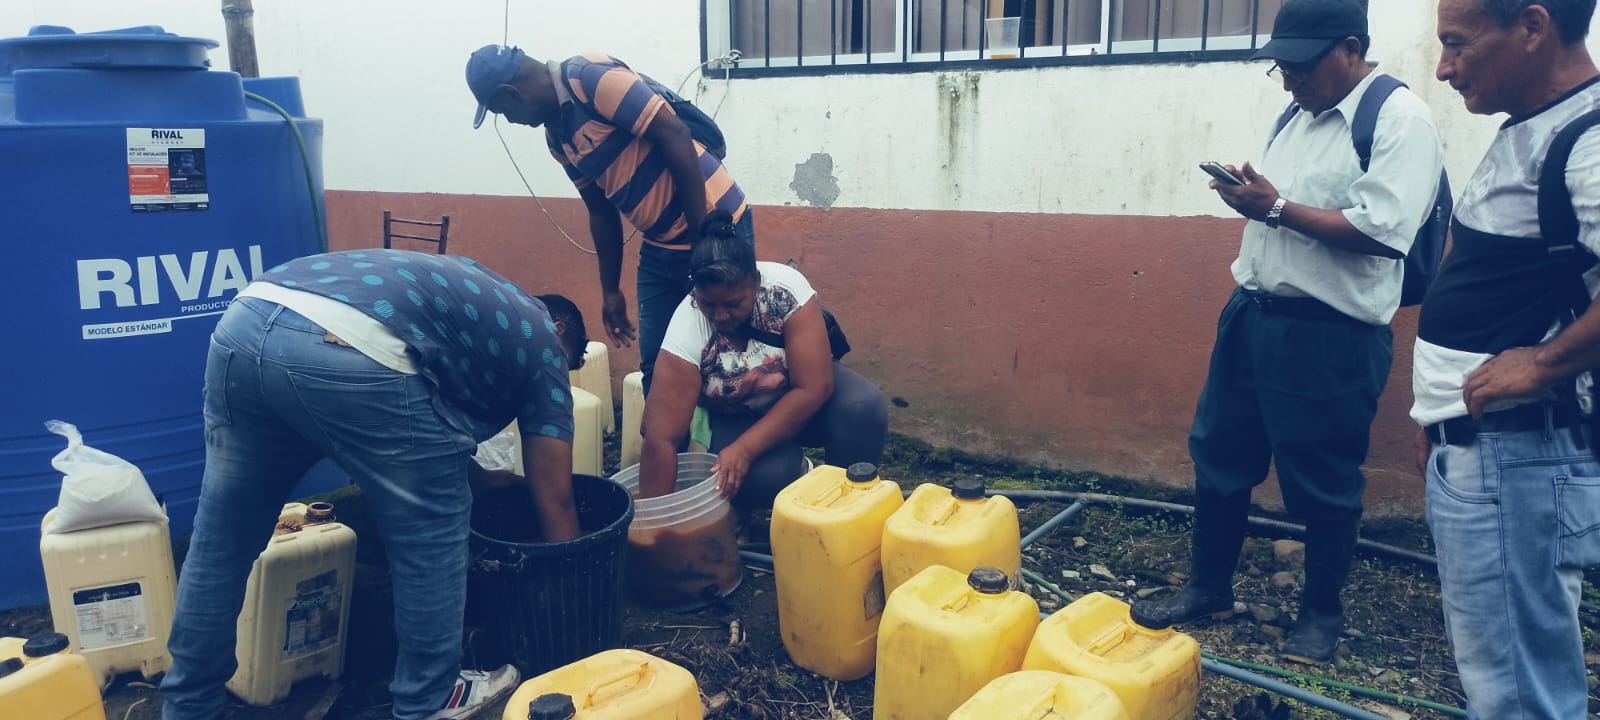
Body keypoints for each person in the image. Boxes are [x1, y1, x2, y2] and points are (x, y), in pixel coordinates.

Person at [1129, 0, 1445, 665]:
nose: (1290, 79)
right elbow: (1286, 209)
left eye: (1302, 65)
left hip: (1330, 334)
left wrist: (1272, 207)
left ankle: (1320, 616)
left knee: (1323, 479)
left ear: (1350, 49)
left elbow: (1384, 233)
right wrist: (1258, 199)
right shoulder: (1295, 115)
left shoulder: (1399, 118)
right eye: (1282, 66)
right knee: (1219, 454)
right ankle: (1208, 589)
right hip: (1251, 315)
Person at [160, 249, 589, 720]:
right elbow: (556, 497)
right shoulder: (543, 340)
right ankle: (430, 696)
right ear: (561, 332)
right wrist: (569, 606)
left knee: (225, 534)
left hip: (250, 318)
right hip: (350, 345)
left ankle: (188, 703)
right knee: (433, 526)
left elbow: (430, 418)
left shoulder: (482, 299)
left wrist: (482, 479)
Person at [1413, 1, 1600, 715]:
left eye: (1457, 44)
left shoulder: (1587, 137)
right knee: (1511, 675)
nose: (1444, 68)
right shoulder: (1534, 126)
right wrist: (1440, 420)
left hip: (1516, 457)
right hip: (1487, 451)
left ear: (1532, 26)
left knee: (1517, 693)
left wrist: (1545, 364)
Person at [465, 44, 753, 393]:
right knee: (657, 364)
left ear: (511, 93)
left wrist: (702, 243)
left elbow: (674, 134)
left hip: (714, 226)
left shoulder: (590, 77)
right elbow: (600, 210)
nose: (511, 121)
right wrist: (610, 290)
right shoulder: (557, 137)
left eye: (502, 111)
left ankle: (739, 430)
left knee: (729, 353)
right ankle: (668, 431)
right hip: (660, 244)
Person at [637, 212, 888, 510]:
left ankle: (847, 506)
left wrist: (743, 450)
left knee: (863, 407)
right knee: (764, 477)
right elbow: (661, 438)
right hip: (738, 414)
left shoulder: (784, 290)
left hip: (803, 397)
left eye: (733, 304)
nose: (721, 315)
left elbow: (814, 386)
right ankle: (794, 476)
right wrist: (654, 519)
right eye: (708, 304)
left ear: (755, 283)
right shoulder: (686, 331)